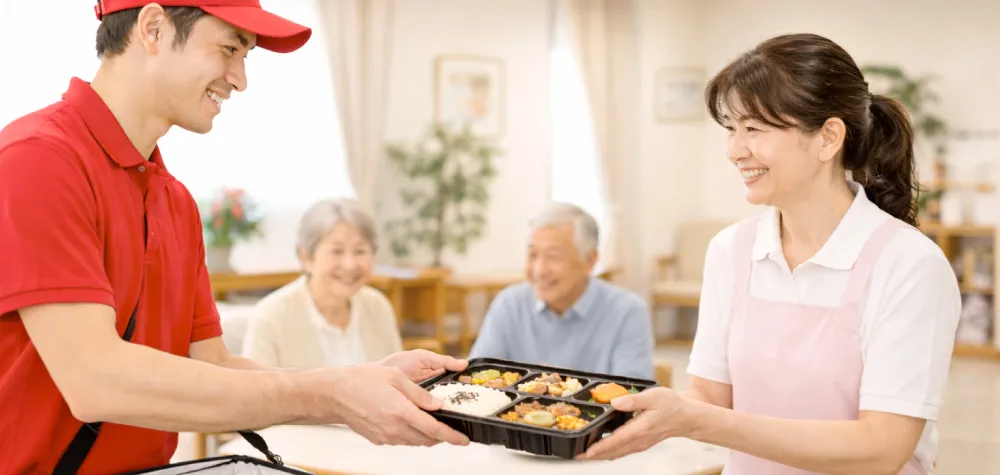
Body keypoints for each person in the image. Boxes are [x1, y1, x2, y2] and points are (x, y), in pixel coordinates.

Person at [0, 2, 468, 474]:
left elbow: (214, 366)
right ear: (154, 28)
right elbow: (94, 381)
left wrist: (358, 382)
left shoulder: (174, 202)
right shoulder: (39, 161)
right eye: (229, 49)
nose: (240, 79)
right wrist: (332, 393)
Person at [580, 33, 962, 474]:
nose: (735, 150)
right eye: (731, 128)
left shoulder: (909, 264)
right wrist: (629, 415)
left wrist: (701, 421)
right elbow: (708, 398)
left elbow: (881, 448)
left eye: (754, 129)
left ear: (828, 138)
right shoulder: (731, 250)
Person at [468, 202, 655, 380]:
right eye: (533, 255)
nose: (540, 270)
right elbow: (477, 376)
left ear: (590, 260)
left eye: (553, 257)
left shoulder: (628, 311)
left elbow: (634, 395)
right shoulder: (508, 303)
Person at [242, 199, 404, 368]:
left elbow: (401, 378)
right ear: (306, 257)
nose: (350, 265)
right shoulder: (271, 316)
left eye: (360, 251)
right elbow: (254, 391)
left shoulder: (378, 306)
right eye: (336, 251)